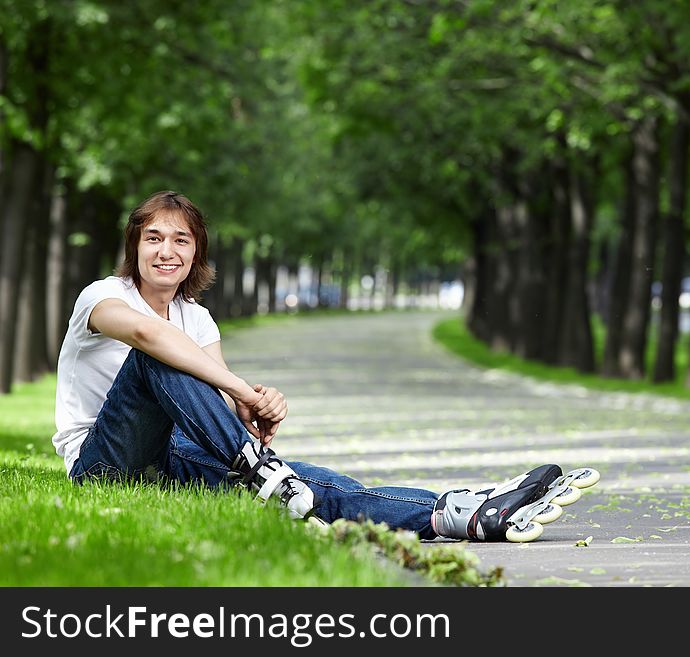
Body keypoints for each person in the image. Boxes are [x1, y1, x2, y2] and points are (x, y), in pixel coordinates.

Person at [52, 190, 599, 543]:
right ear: (135, 245)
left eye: (181, 240)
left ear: (196, 252)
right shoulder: (103, 297)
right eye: (153, 239)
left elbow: (213, 411)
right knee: (156, 355)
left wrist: (253, 410)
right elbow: (150, 337)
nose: (166, 251)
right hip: (106, 462)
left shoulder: (197, 317)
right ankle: (269, 476)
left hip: (176, 461)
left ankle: (468, 512)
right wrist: (243, 388)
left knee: (324, 489)